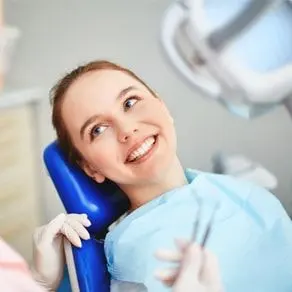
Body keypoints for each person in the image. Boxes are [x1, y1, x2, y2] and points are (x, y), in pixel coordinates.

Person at [33, 60, 292, 292]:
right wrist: (37, 285)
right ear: (90, 168)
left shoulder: (236, 190)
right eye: (98, 129)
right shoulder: (141, 254)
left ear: (162, 105)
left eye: (130, 103)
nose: (127, 129)